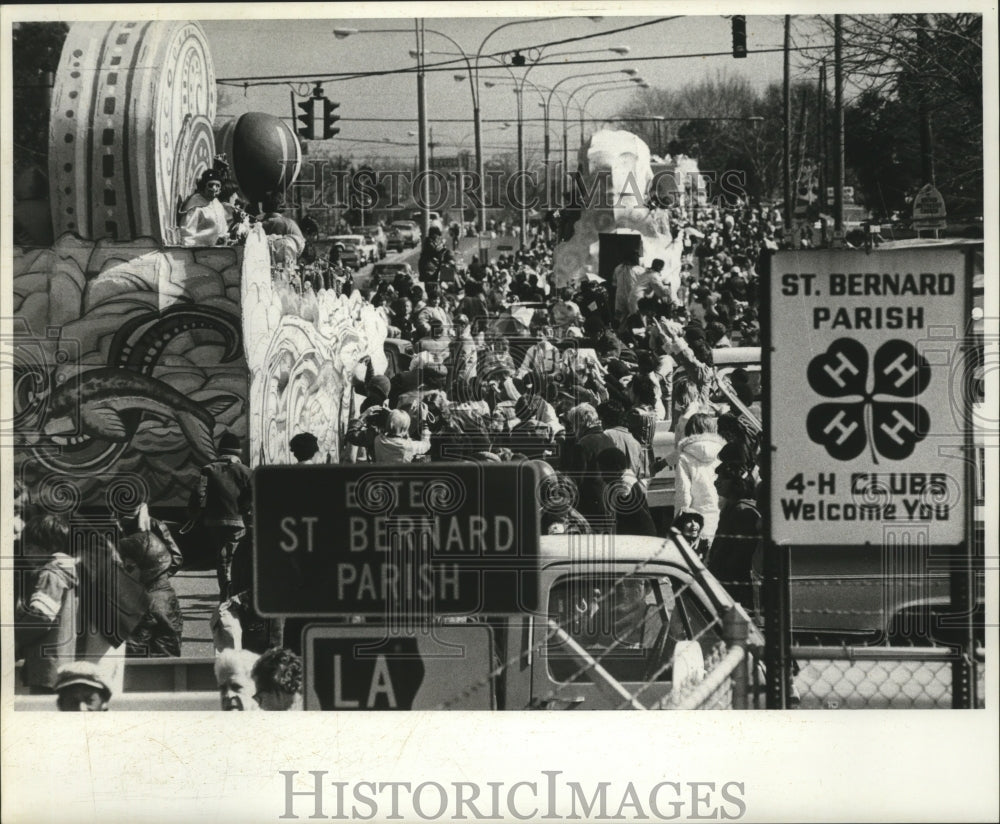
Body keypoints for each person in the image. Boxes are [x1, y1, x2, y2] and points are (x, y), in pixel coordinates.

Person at [15, 515, 132, 694]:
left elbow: (41, 618)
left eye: (29, 548)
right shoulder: (69, 570)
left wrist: (14, 637)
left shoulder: (50, 574)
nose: (25, 553)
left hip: (47, 664)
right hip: (64, 661)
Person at [190, 431, 252, 601]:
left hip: (214, 521)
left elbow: (198, 493)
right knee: (233, 556)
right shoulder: (246, 472)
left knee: (222, 555)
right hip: (238, 520)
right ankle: (231, 594)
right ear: (238, 452)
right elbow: (254, 496)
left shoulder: (208, 469)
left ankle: (225, 592)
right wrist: (245, 508)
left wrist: (194, 514)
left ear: (220, 450)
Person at [116, 503, 184, 658]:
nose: (125, 570)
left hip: (152, 672)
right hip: (165, 665)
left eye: (129, 567)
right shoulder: (164, 593)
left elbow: (133, 647)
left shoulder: (147, 603)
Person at [707, 462, 762, 612]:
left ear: (736, 483)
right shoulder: (733, 507)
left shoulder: (741, 510)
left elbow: (739, 558)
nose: (716, 482)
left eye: (722, 478)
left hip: (734, 594)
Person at [672, 413, 725, 544]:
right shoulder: (723, 453)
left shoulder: (684, 457)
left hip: (698, 522)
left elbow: (684, 494)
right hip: (722, 518)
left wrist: (677, 524)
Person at [179, 168, 229, 247]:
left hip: (217, 250)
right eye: (211, 185)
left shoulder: (217, 204)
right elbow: (187, 233)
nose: (214, 189)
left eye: (217, 186)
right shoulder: (195, 204)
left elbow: (223, 227)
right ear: (204, 186)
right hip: (199, 251)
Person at [612, 249, 644, 320]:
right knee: (620, 318)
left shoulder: (640, 270)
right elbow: (614, 283)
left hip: (635, 298)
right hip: (620, 298)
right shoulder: (618, 268)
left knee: (636, 317)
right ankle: (621, 330)